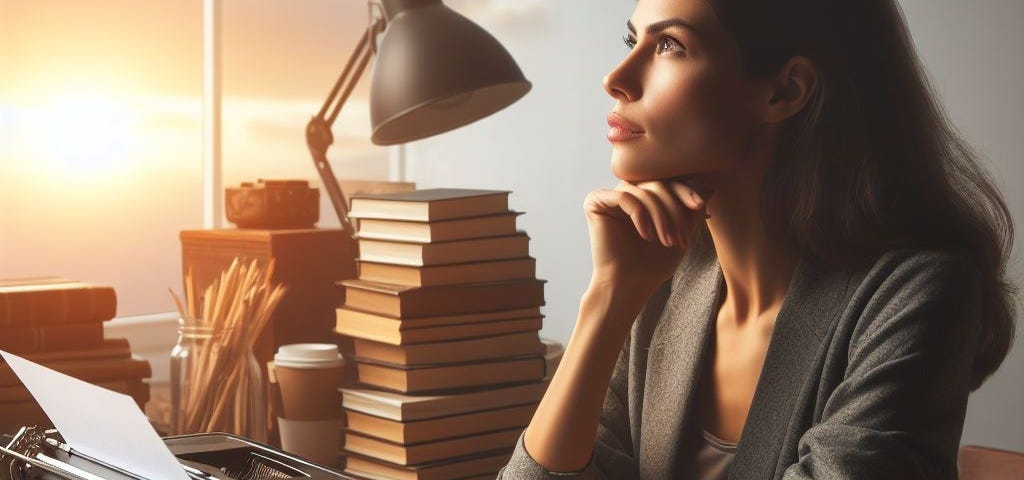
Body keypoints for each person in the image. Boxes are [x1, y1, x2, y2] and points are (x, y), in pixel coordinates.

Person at [497, 0, 1016, 478]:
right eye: (633, 42)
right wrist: (607, 299)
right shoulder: (658, 277)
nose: (617, 79)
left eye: (669, 46)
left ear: (785, 91)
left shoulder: (915, 294)